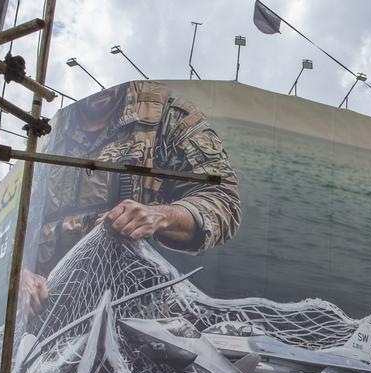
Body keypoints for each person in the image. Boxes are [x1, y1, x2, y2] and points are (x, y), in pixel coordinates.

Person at [20, 80, 243, 321]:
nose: (100, 92)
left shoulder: (169, 115)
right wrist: (19, 275)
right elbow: (15, 226)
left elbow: (223, 202)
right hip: (45, 316)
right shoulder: (46, 134)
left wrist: (160, 215)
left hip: (139, 312)